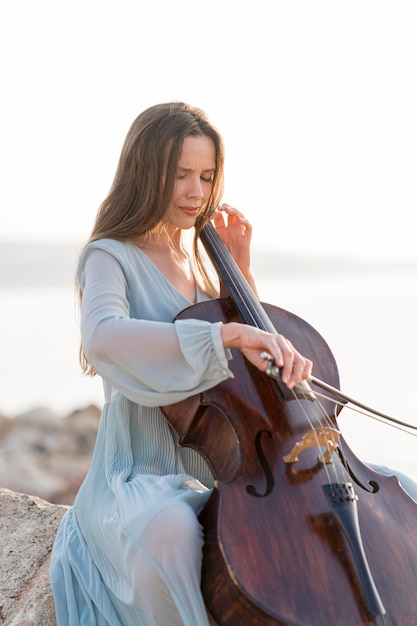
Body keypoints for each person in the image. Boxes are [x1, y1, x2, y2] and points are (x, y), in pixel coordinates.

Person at [50, 102, 313, 626]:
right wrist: (223, 332)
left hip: (220, 471)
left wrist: (241, 274)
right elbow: (102, 337)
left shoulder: (202, 260)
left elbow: (252, 367)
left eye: (207, 176)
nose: (197, 192)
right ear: (147, 174)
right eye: (181, 176)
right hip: (137, 474)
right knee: (169, 531)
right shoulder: (110, 254)